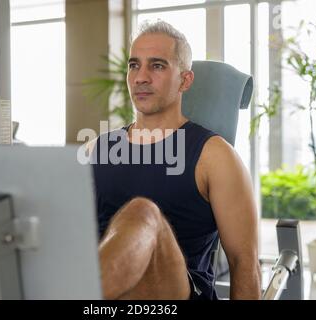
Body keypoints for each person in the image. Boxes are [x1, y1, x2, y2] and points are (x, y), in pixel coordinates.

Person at [90, 20, 261, 300]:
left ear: (185, 80)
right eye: (134, 65)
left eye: (157, 66)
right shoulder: (97, 148)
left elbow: (245, 265)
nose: (141, 77)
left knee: (142, 214)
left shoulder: (215, 155)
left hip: (177, 293)